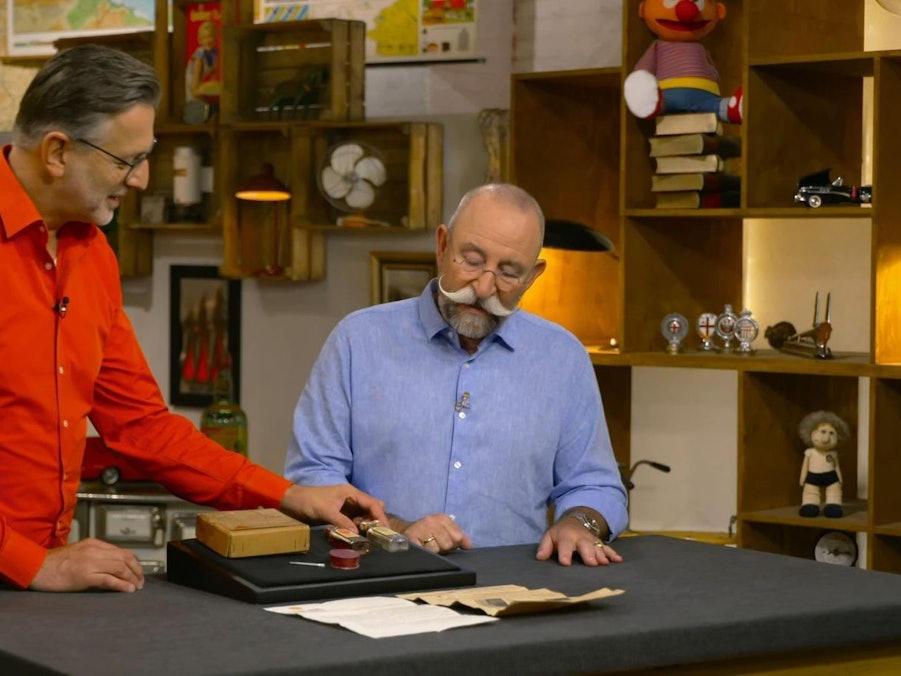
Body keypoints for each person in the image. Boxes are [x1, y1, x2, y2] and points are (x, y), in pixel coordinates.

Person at [0, 44, 387, 594]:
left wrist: (289, 496)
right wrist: (32, 563)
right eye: (126, 160)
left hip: (38, 589)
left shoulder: (91, 255)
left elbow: (142, 427)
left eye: (147, 157)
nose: (141, 179)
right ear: (58, 152)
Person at [285, 183, 629, 567]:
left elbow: (595, 485)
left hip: (517, 588)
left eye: (509, 272)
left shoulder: (563, 357)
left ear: (532, 276)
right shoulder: (358, 340)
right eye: (472, 261)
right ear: (442, 245)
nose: (484, 287)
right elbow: (313, 481)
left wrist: (579, 523)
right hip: (379, 576)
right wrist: (395, 530)